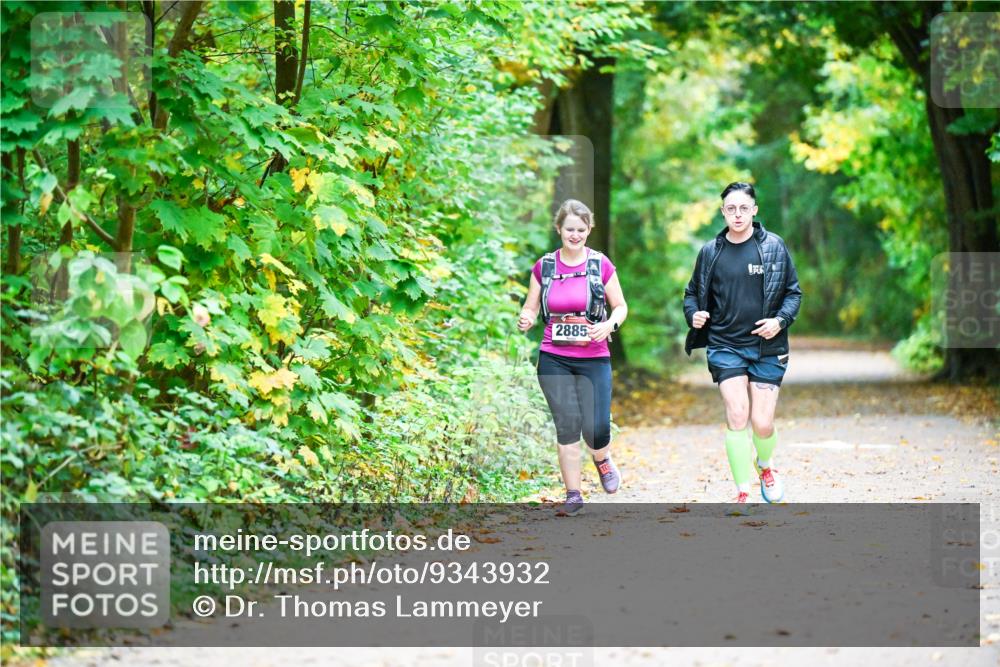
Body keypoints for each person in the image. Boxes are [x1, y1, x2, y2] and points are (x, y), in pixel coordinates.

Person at [683, 182, 802, 504]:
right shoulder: (711, 252)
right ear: (723, 212)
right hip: (724, 345)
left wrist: (779, 321)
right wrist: (693, 314)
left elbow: (793, 292)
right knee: (737, 414)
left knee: (762, 423)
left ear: (754, 210)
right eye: (731, 209)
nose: (737, 214)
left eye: (743, 208)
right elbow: (692, 293)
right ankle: (742, 490)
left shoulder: (774, 247)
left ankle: (765, 465)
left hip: (767, 348)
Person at [518, 199, 628, 516]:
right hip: (554, 355)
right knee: (567, 424)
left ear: (589, 230)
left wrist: (609, 324)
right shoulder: (545, 267)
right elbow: (531, 306)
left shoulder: (600, 264)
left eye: (581, 230)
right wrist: (526, 318)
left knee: (596, 427)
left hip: (594, 356)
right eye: (569, 229)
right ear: (559, 230)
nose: (575, 235)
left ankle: (602, 459)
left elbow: (620, 306)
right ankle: (573, 494)